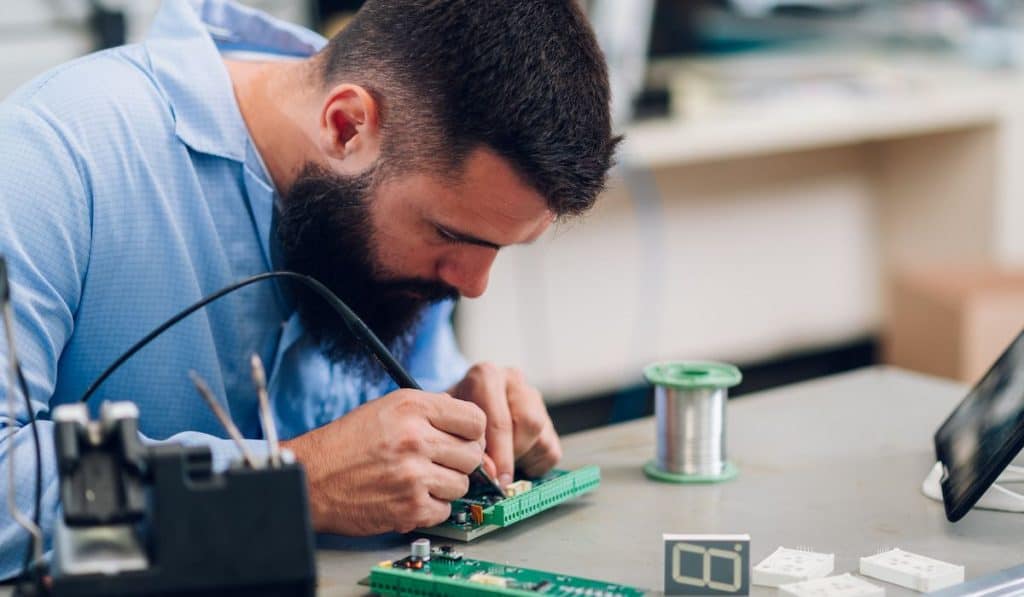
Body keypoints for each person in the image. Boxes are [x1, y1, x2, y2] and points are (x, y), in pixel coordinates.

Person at [0, 0, 618, 576]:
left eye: (498, 249)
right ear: (347, 126)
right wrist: (287, 484)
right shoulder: (52, 156)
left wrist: (459, 431)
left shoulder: (388, 197)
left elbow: (390, 444)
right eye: (451, 235)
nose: (473, 286)